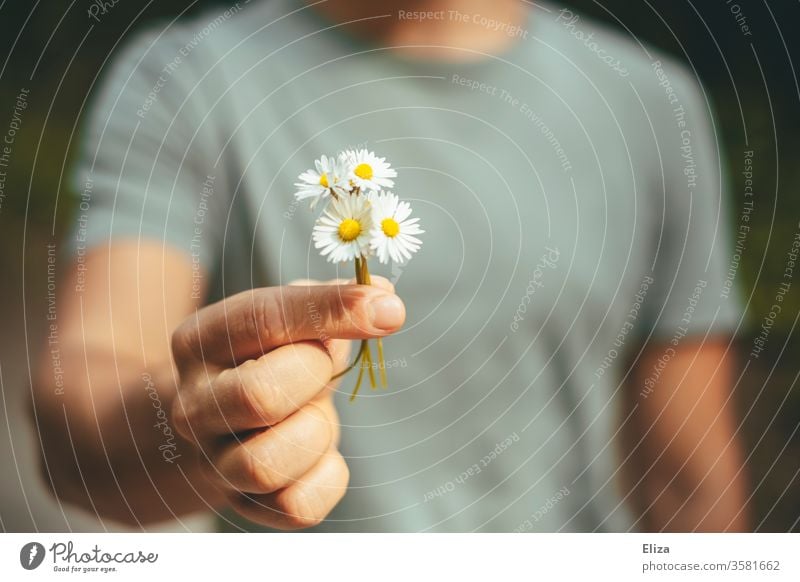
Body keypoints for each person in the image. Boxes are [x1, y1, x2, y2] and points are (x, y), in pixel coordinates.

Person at [34, 0, 749, 531]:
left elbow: (689, 477)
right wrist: (201, 418)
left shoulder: (653, 106)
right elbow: (86, 392)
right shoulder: (186, 75)